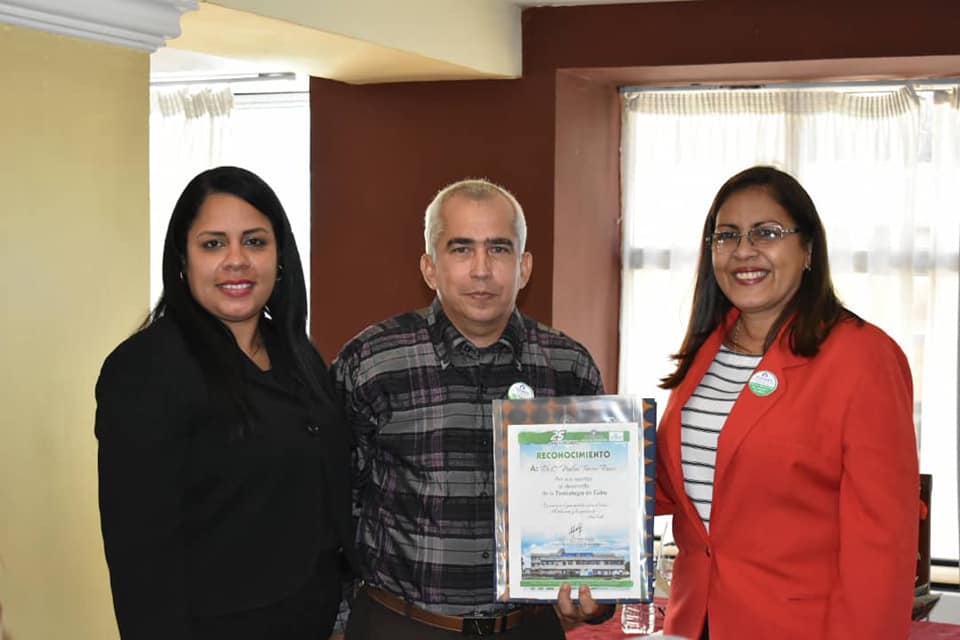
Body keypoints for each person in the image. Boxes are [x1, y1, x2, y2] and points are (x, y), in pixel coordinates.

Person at [331, 178, 614, 639]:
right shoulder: (372, 362)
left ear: (524, 267)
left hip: (529, 629)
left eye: (499, 249)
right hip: (400, 626)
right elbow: (336, 504)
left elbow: (596, 506)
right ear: (430, 267)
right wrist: (338, 620)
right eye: (461, 249)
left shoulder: (569, 367)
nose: (482, 270)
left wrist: (599, 593)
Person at [654, 166, 919, 640]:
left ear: (809, 249)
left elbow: (882, 543)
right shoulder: (706, 352)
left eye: (768, 232)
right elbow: (680, 487)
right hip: (694, 623)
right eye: (727, 235)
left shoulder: (863, 358)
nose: (744, 250)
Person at [95, 166, 354, 640]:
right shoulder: (144, 370)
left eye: (255, 242)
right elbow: (140, 556)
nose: (237, 260)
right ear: (182, 258)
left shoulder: (297, 353)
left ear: (280, 256)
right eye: (213, 244)